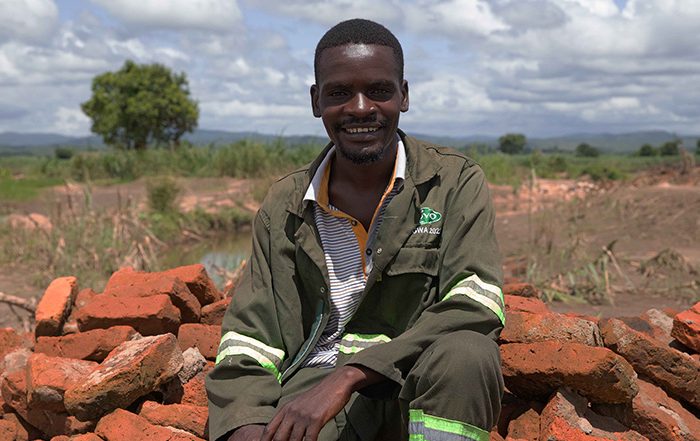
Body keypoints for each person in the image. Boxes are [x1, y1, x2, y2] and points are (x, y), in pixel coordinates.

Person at [207, 18, 505, 441]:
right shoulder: (285, 205)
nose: (360, 108)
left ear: (404, 96)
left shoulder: (453, 183)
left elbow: (475, 305)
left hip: (412, 379)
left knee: (467, 355)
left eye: (379, 91)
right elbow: (250, 339)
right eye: (340, 93)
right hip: (315, 394)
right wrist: (245, 425)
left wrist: (352, 373)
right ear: (316, 101)